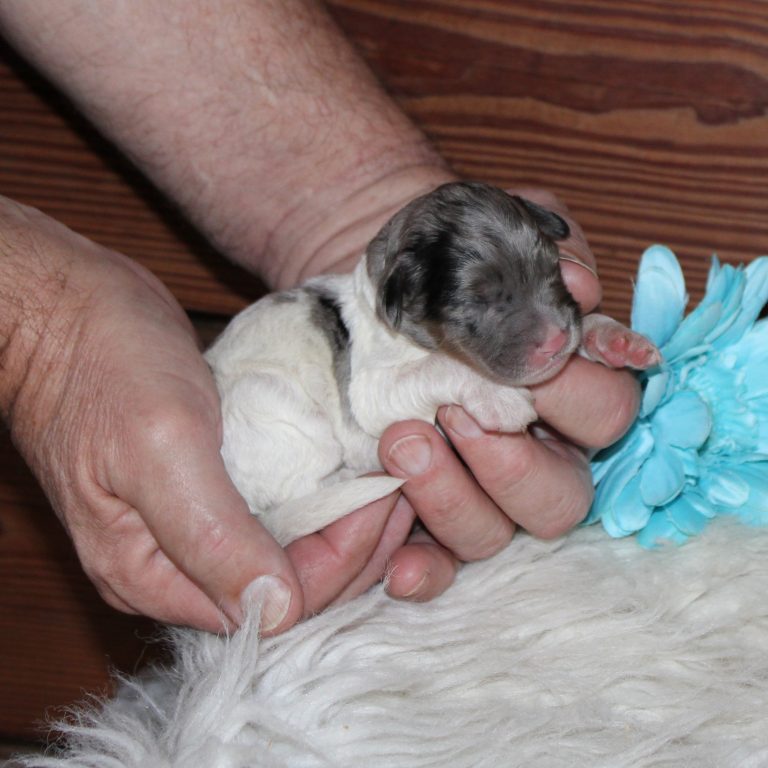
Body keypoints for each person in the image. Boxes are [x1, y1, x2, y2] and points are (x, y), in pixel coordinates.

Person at [0, 0, 640, 635]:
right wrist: (37, 344)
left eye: (546, 275)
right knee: (308, 414)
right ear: (403, 304)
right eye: (488, 303)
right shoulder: (381, 331)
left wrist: (596, 335)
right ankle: (313, 489)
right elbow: (382, 403)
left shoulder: (410, 297)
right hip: (273, 440)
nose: (553, 329)